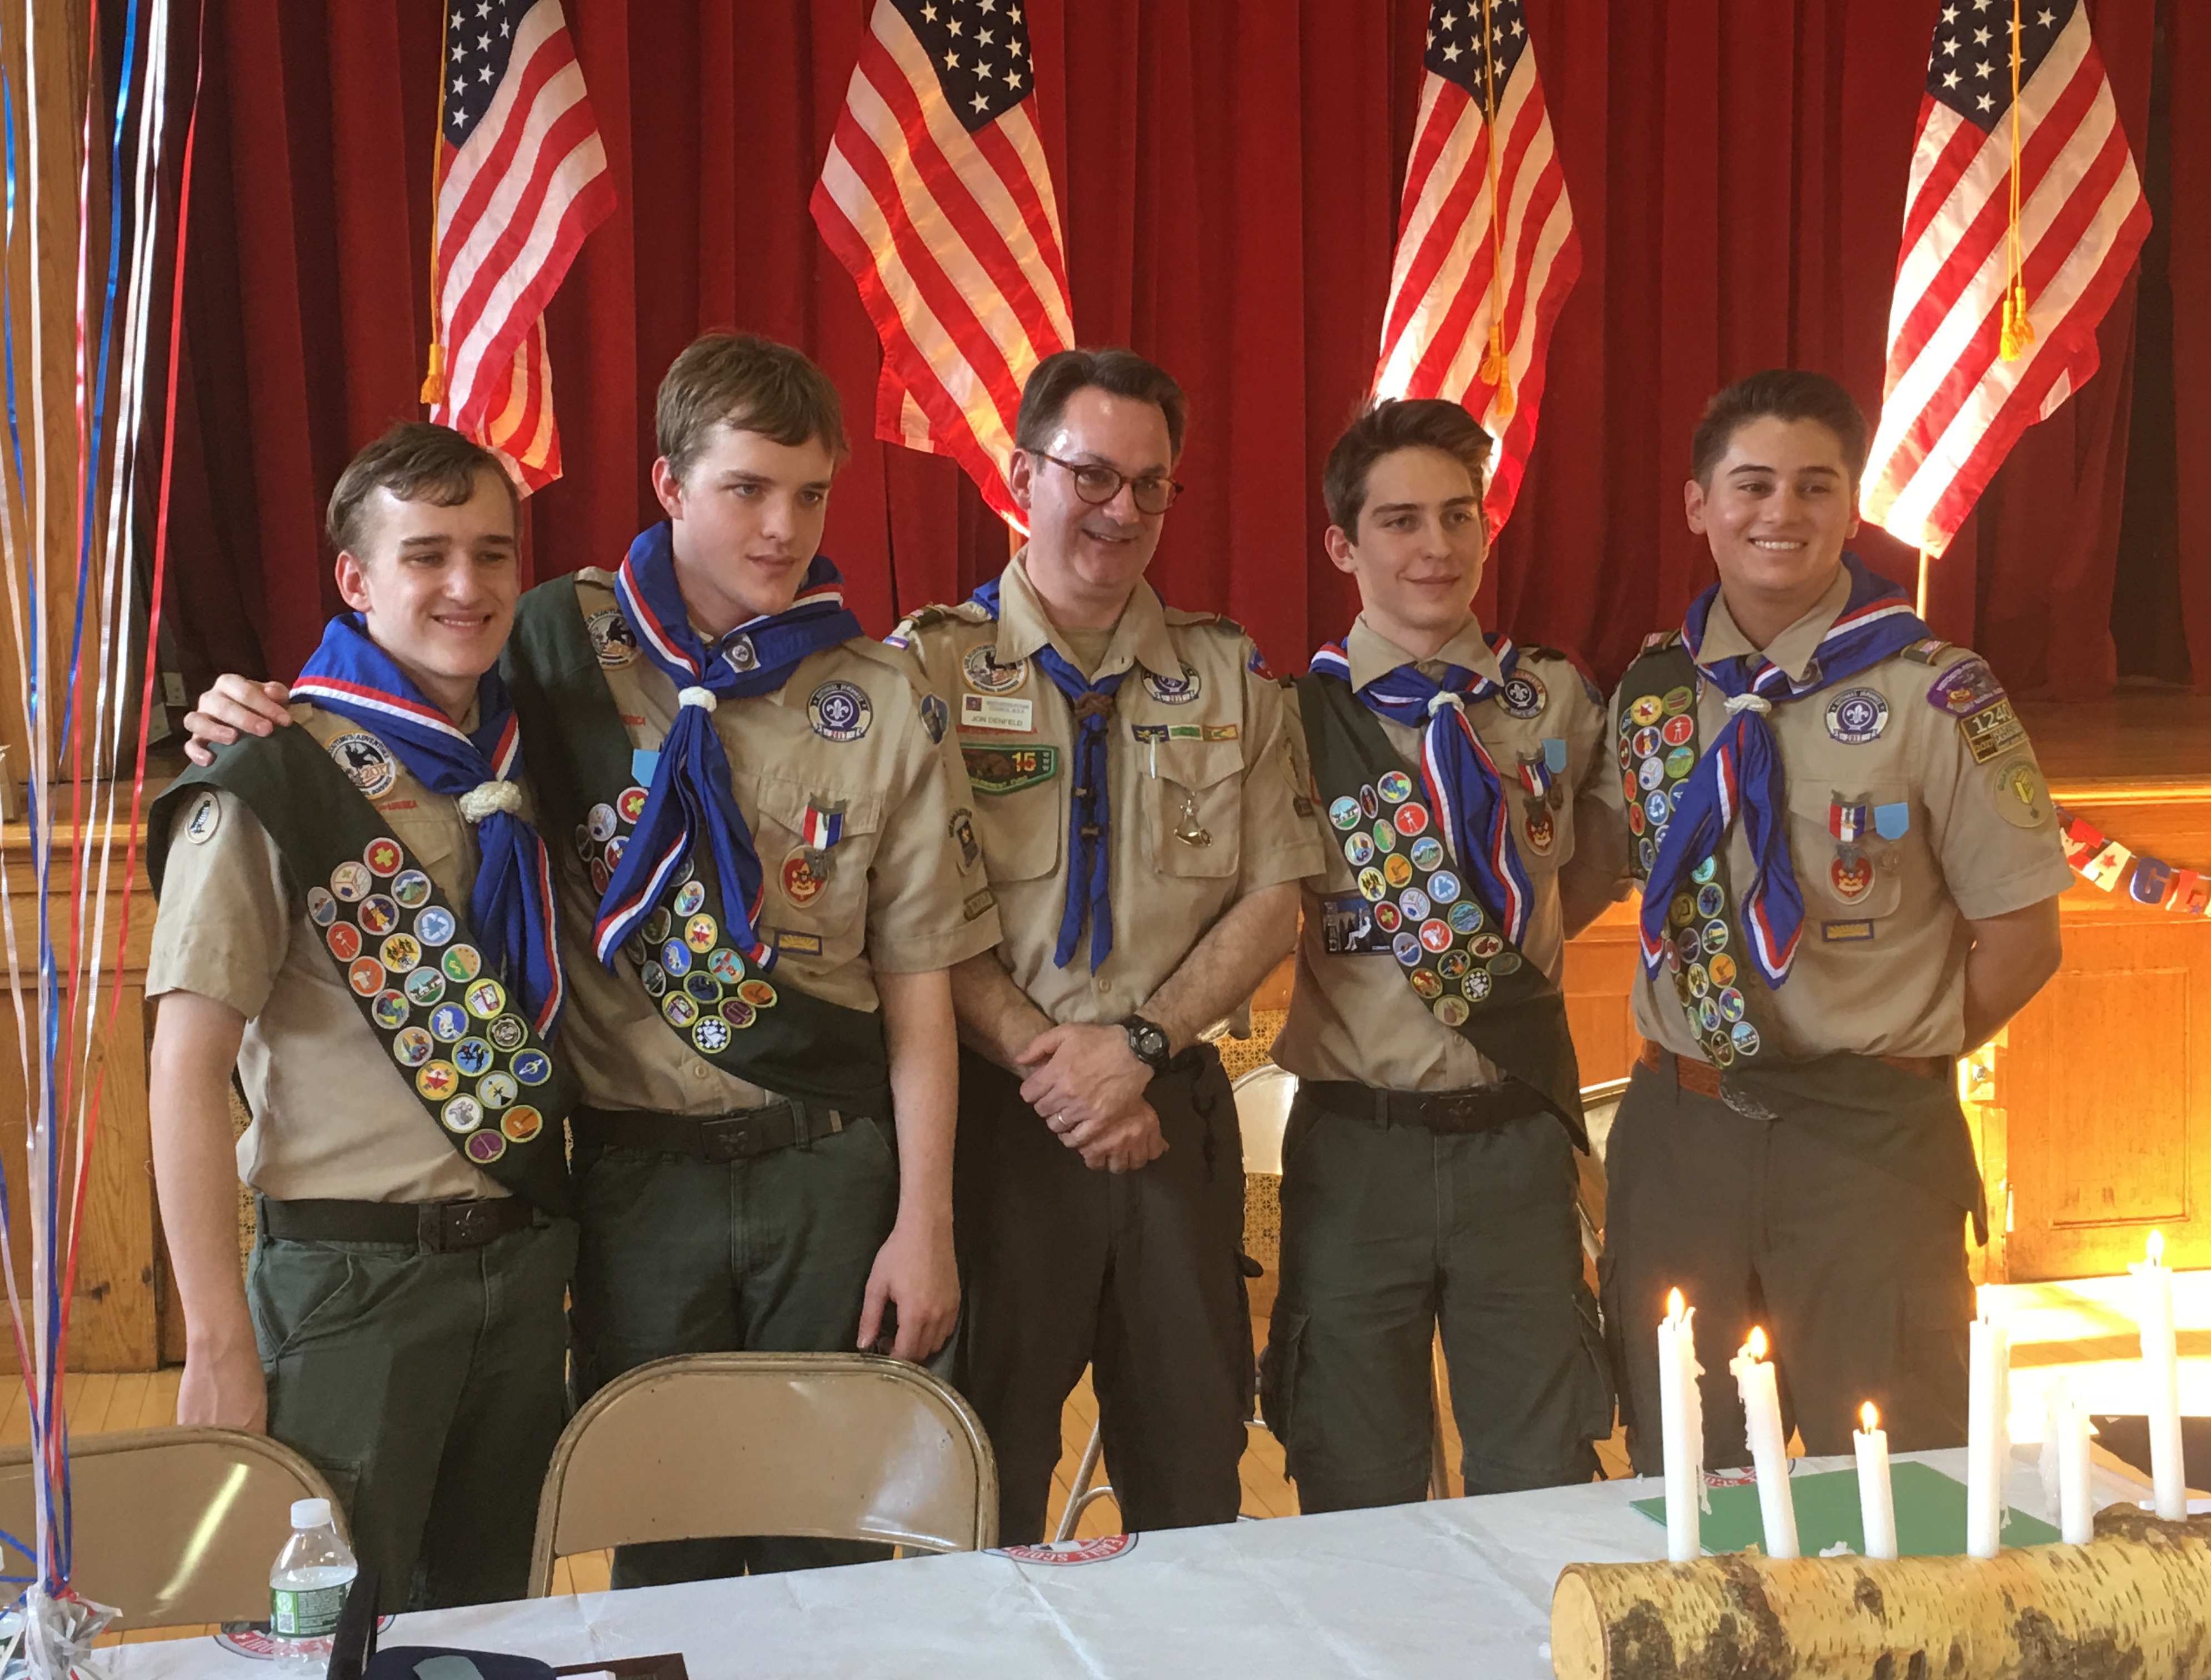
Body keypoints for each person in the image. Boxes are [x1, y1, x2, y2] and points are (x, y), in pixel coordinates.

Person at [182, 334, 999, 1586]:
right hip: (633, 1180)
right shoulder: (549, 639)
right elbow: (392, 689)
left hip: (826, 1166)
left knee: (828, 1541)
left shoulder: (881, 691)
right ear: (669, 484)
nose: (782, 528)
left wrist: (924, 1220)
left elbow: (918, 985)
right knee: (657, 1542)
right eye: (745, 488)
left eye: (811, 493)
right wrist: (241, 709)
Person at [887, 347, 1324, 1545]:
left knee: (1192, 1486)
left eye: (1150, 485)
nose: (1121, 511)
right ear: (1021, 472)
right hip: (992, 1131)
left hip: (1167, 1122)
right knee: (978, 1490)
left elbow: (1274, 898)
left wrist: (1134, 1050)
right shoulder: (922, 670)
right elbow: (905, 917)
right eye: (1091, 476)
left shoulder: (1229, 675)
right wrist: (1063, 1074)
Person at [1597, 369, 2069, 1474]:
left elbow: (2024, 942)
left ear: (1853, 509)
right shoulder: (1654, 693)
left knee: (1900, 1482)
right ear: (1698, 504)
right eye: (1753, 484)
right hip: (1684, 1142)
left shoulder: (1938, 691)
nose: (1783, 512)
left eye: (1816, 487)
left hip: (1867, 1146)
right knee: (1690, 1483)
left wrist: (1890, 1058)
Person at [148, 423, 576, 1610]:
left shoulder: (534, 748)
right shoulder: (272, 772)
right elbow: (183, 1071)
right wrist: (215, 1339)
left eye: (492, 553)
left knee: (488, 1628)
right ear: (355, 578)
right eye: (426, 554)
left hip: (523, 1261)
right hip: (352, 1281)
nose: (465, 585)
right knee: (325, 1629)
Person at [1264, 398, 1625, 1511]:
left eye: (1458, 516)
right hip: (1358, 1150)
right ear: (1344, 546)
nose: (1436, 547)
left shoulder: (1553, 698)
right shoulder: (1293, 720)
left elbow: (1590, 869)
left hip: (1513, 1142)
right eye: (1401, 521)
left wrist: (1497, 964)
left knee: (1540, 1479)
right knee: (1355, 1485)